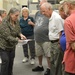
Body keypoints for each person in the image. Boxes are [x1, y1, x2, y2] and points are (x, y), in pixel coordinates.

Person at [0, 8, 26, 75]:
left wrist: (20, 35)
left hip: (12, 46)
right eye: (16, 15)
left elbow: (18, 30)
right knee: (5, 62)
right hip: (4, 46)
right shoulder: (4, 22)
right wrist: (17, 40)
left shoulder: (16, 21)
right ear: (11, 14)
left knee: (11, 63)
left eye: (18, 15)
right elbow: (7, 36)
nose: (17, 17)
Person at [40, 2, 64, 75]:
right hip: (52, 43)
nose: (43, 13)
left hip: (57, 43)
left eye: (44, 11)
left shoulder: (56, 18)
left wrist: (59, 44)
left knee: (57, 64)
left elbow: (61, 32)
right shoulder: (50, 17)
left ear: (49, 9)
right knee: (52, 62)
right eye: (42, 11)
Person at [32, 0, 51, 75]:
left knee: (48, 55)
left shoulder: (49, 14)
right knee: (39, 53)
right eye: (40, 5)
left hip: (46, 38)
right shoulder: (37, 13)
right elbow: (37, 23)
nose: (40, 7)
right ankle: (40, 66)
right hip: (37, 38)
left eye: (42, 5)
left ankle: (49, 68)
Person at [61, 0, 75, 75]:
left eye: (64, 6)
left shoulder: (69, 21)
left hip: (72, 62)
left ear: (68, 5)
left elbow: (73, 46)